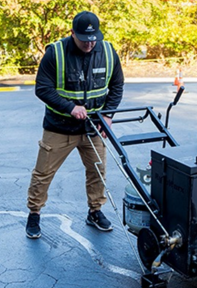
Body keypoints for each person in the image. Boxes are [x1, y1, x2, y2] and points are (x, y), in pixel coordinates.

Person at [25, 11, 124, 239]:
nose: (89, 44)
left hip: (93, 127)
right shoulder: (55, 53)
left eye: (93, 39)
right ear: (72, 33)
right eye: (83, 39)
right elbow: (43, 88)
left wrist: (108, 116)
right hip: (59, 127)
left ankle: (95, 211)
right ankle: (34, 213)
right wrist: (70, 107)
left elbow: (117, 85)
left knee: (97, 171)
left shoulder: (108, 52)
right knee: (43, 173)